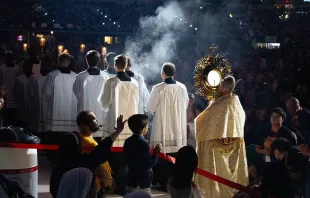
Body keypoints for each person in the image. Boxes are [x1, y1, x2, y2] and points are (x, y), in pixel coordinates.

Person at [195, 76, 248, 198]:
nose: (218, 88)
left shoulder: (221, 104)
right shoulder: (236, 103)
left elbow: (201, 120)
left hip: (218, 146)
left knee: (218, 173)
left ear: (224, 88)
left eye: (220, 86)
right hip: (234, 145)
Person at [50, 113, 127, 197]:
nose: (97, 120)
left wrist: (118, 131)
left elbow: (99, 150)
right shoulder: (85, 147)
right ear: (84, 125)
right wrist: (109, 183)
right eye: (94, 119)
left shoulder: (61, 166)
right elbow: (97, 162)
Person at [98, 54, 139, 194]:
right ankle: (124, 185)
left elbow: (103, 105)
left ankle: (114, 184)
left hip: (115, 125)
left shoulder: (111, 82)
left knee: (114, 156)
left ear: (115, 65)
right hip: (129, 124)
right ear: (126, 65)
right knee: (127, 156)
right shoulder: (135, 83)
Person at [147, 62, 188, 189]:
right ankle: (173, 181)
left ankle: (162, 182)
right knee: (175, 153)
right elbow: (186, 104)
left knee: (163, 154)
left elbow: (150, 107)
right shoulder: (182, 87)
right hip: (177, 126)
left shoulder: (158, 88)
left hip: (162, 126)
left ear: (162, 73)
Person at [73, 50, 110, 139]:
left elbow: (77, 94)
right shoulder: (105, 76)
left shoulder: (80, 77)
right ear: (99, 61)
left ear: (86, 60)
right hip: (101, 114)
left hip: (85, 112)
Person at [42, 53, 77, 144]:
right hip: (71, 116)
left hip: (55, 116)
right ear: (69, 62)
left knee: (55, 143)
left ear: (58, 61)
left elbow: (46, 93)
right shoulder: (75, 76)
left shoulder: (52, 75)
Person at [124, 114, 161, 194]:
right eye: (147, 125)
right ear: (143, 129)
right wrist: (155, 154)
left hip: (131, 179)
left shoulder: (127, 141)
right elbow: (147, 164)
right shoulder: (143, 144)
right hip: (142, 183)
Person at [27, 57, 50, 133]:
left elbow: (30, 92)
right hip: (44, 106)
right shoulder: (53, 76)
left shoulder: (34, 77)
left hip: (37, 105)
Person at [0, 53, 21, 123]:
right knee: (8, 115)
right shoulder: (17, 68)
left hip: (10, 93)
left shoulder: (2, 67)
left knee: (9, 116)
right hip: (9, 93)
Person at [13, 60, 33, 127]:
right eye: (26, 67)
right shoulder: (19, 79)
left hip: (33, 108)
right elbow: (16, 93)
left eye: (29, 67)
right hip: (22, 107)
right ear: (23, 68)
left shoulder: (35, 78)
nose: (27, 68)